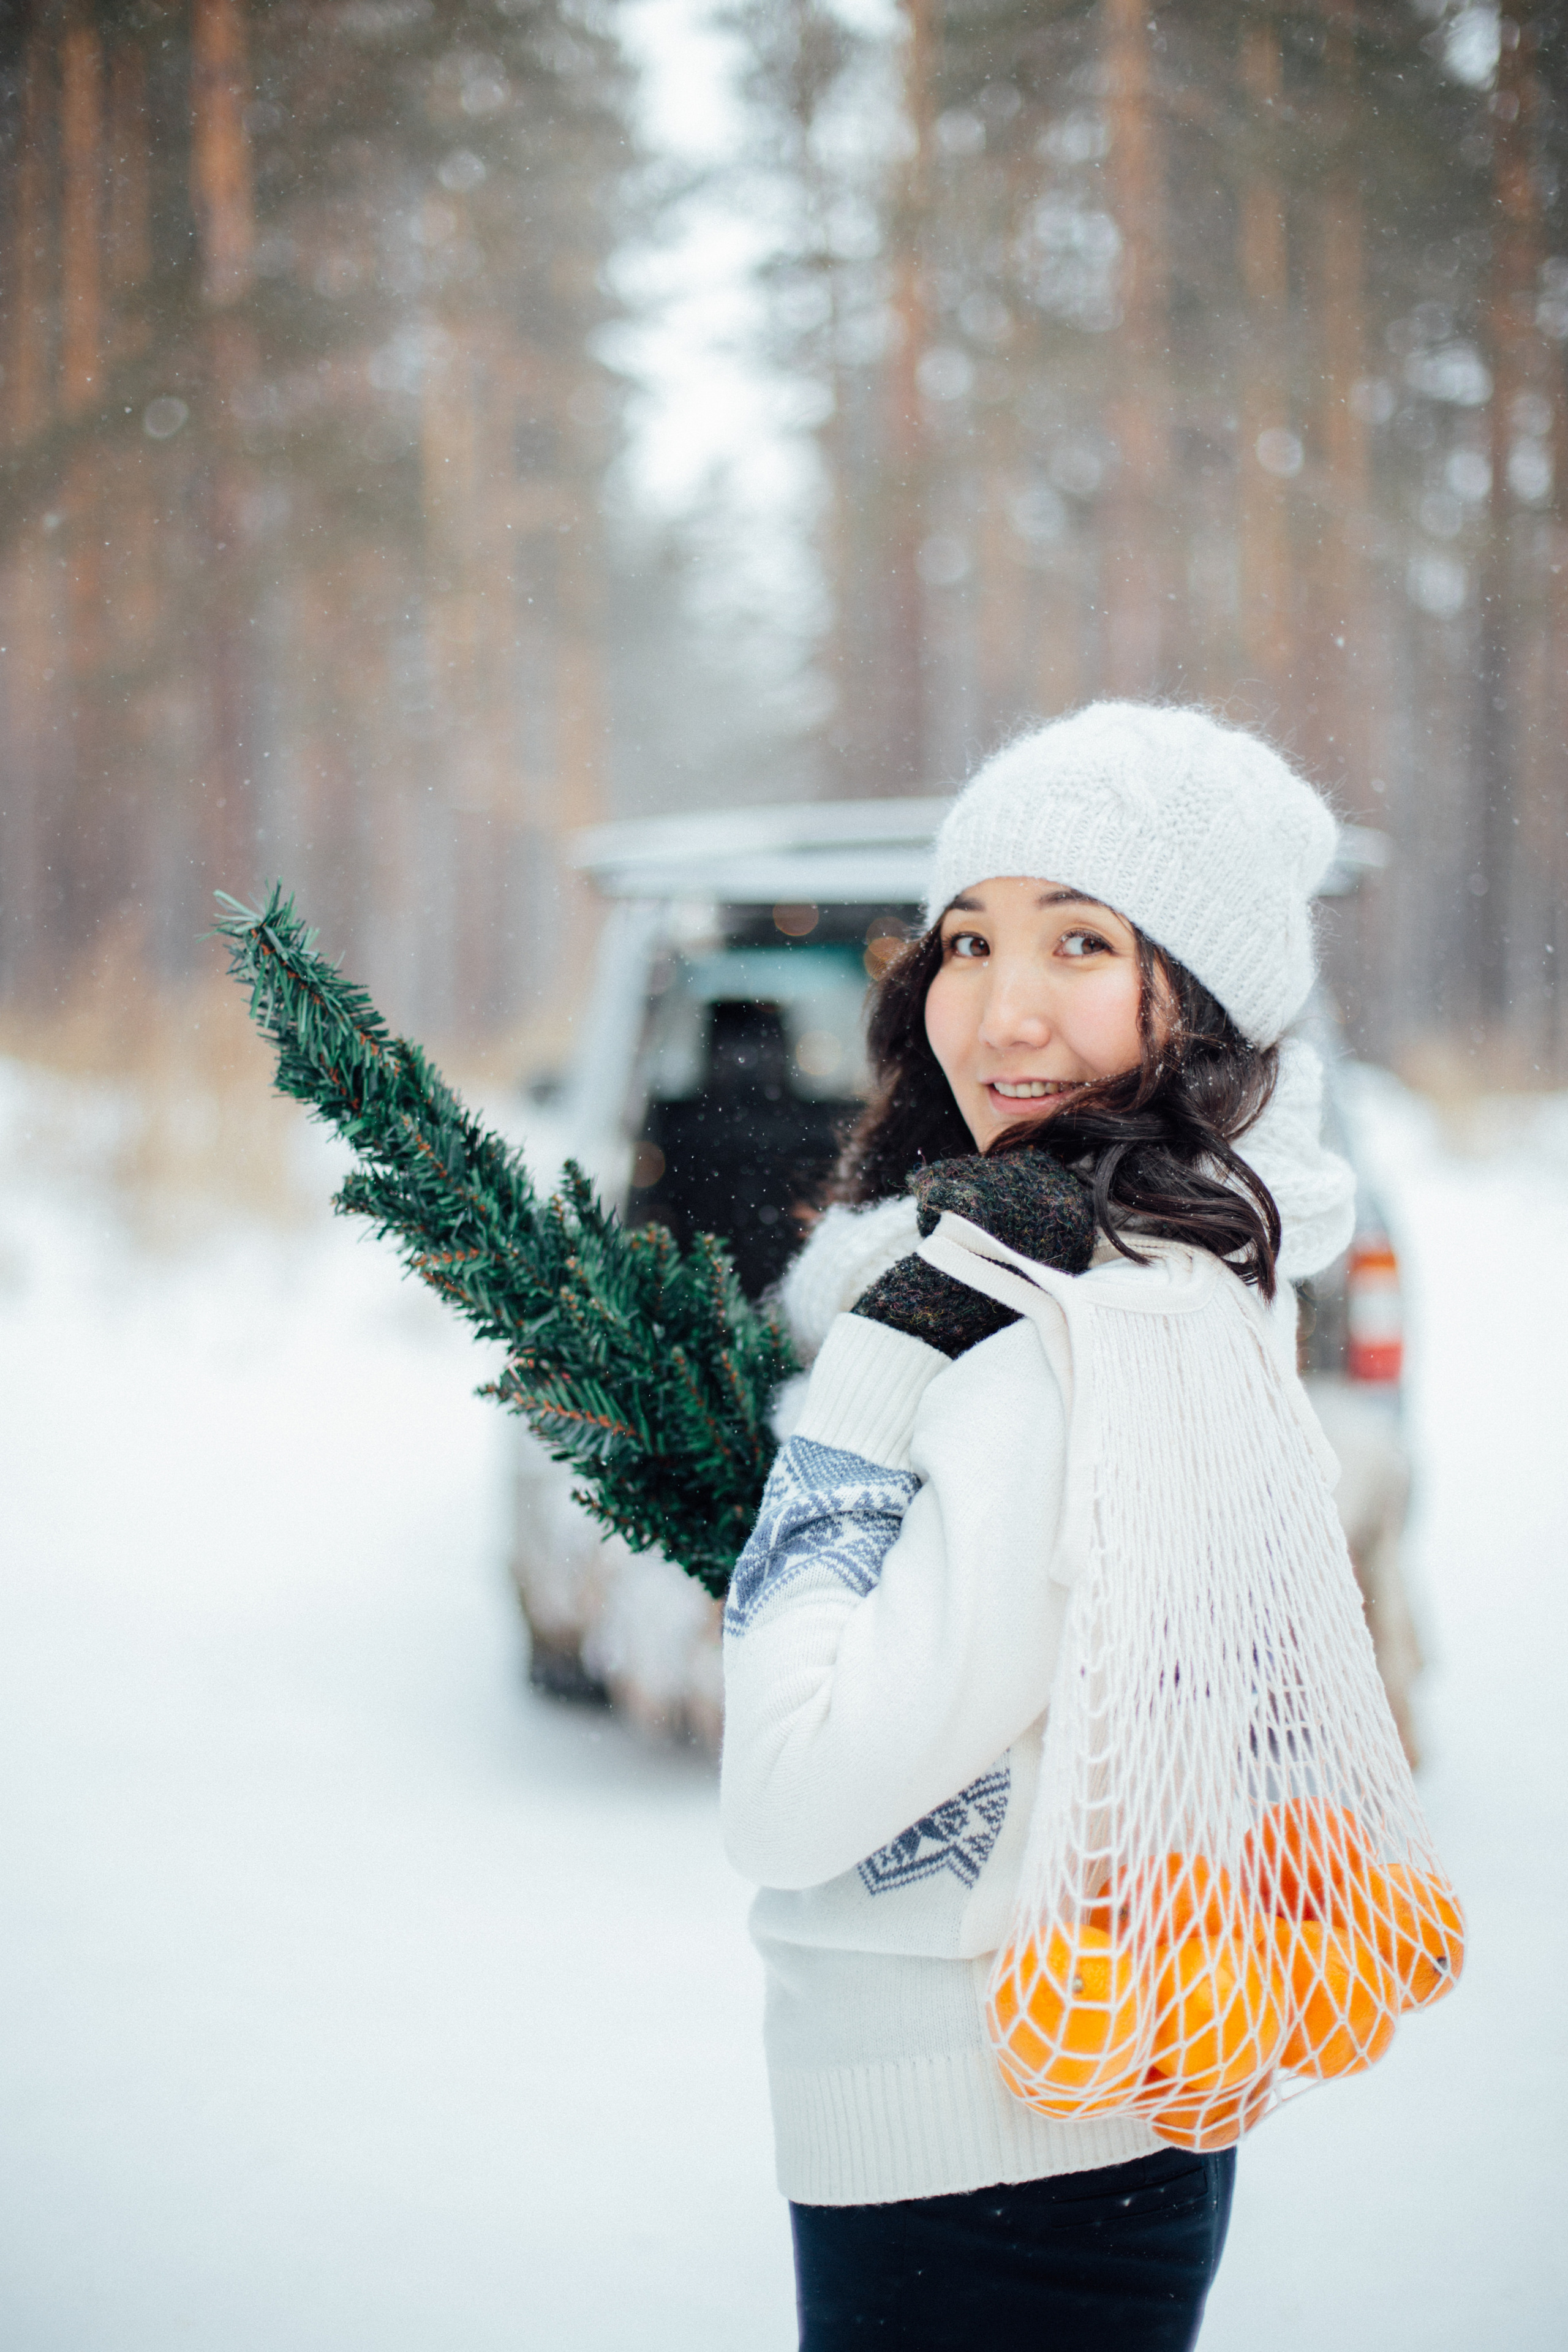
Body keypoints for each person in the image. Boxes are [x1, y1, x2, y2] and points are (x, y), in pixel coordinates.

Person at [719, 702, 1358, 2350]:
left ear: (1203, 1002)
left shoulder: (1047, 1337)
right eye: (969, 939)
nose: (999, 1009)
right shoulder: (1179, 1273)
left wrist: (882, 1356)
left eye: (1083, 940)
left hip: (983, 2165)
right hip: (1078, 2121)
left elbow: (791, 1796)